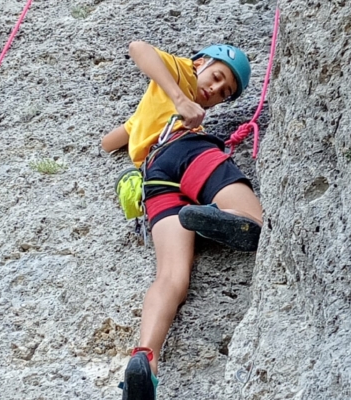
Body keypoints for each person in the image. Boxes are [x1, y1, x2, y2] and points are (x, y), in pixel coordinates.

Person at [102, 41, 263, 400]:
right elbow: (138, 48)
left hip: (154, 178)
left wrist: (140, 124)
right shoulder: (181, 72)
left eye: (224, 94)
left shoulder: (152, 106)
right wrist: (180, 97)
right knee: (257, 222)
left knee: (172, 275)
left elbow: (110, 141)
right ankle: (229, 217)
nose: (215, 91)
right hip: (186, 149)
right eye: (217, 77)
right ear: (201, 63)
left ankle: (146, 360)